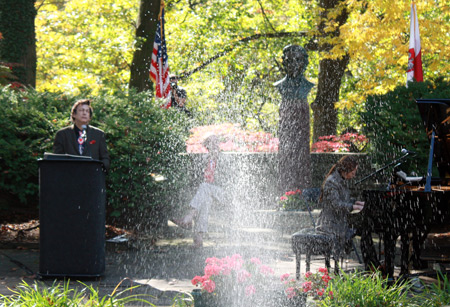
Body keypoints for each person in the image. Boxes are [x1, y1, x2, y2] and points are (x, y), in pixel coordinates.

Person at [316, 155, 379, 270]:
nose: (354, 175)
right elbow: (336, 205)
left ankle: (372, 264)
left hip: (340, 219)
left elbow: (343, 200)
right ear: (346, 170)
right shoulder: (332, 182)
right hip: (330, 223)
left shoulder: (341, 180)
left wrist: (357, 203)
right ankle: (372, 265)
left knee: (366, 229)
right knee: (365, 230)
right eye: (353, 172)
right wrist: (353, 206)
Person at [171, 134, 229, 247]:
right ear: (207, 146)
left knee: (205, 188)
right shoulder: (203, 160)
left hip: (222, 193)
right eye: (211, 143)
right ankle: (198, 239)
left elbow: (229, 181)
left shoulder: (224, 159)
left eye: (216, 143)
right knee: (205, 198)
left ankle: (188, 217)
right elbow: (194, 180)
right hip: (207, 192)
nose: (214, 145)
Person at [53, 99, 110, 171]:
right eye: (81, 110)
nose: (84, 113)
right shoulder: (62, 134)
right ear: (74, 114)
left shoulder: (98, 134)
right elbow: (56, 160)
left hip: (92, 177)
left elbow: (105, 158)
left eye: (87, 111)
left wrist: (100, 170)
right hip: (69, 177)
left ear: (90, 116)